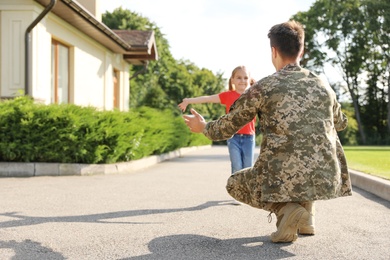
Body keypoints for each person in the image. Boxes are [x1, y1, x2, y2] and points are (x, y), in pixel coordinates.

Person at [182, 20, 352, 243]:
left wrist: (203, 127)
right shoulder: (323, 85)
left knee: (234, 182)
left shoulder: (264, 87)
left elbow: (229, 126)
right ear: (302, 49)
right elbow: (341, 123)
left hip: (282, 176)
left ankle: (286, 209)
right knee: (311, 149)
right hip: (327, 178)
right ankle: (306, 218)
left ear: (273, 51)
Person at [178, 66, 257, 175]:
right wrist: (188, 101)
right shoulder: (227, 95)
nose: (242, 81)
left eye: (245, 78)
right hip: (233, 137)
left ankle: (248, 192)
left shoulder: (254, 96)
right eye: (238, 78)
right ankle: (236, 191)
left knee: (248, 169)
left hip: (249, 138)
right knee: (237, 168)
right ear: (232, 80)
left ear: (249, 79)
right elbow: (207, 98)